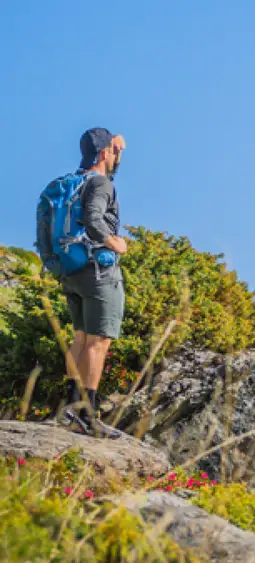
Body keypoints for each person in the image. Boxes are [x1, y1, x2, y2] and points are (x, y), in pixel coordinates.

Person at [59, 127, 128, 439]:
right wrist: (114, 242)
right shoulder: (100, 183)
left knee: (80, 338)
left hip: (73, 271)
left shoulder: (78, 180)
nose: (117, 157)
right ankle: (88, 416)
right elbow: (93, 216)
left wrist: (116, 151)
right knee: (99, 342)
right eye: (114, 152)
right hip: (99, 272)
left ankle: (69, 409)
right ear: (104, 153)